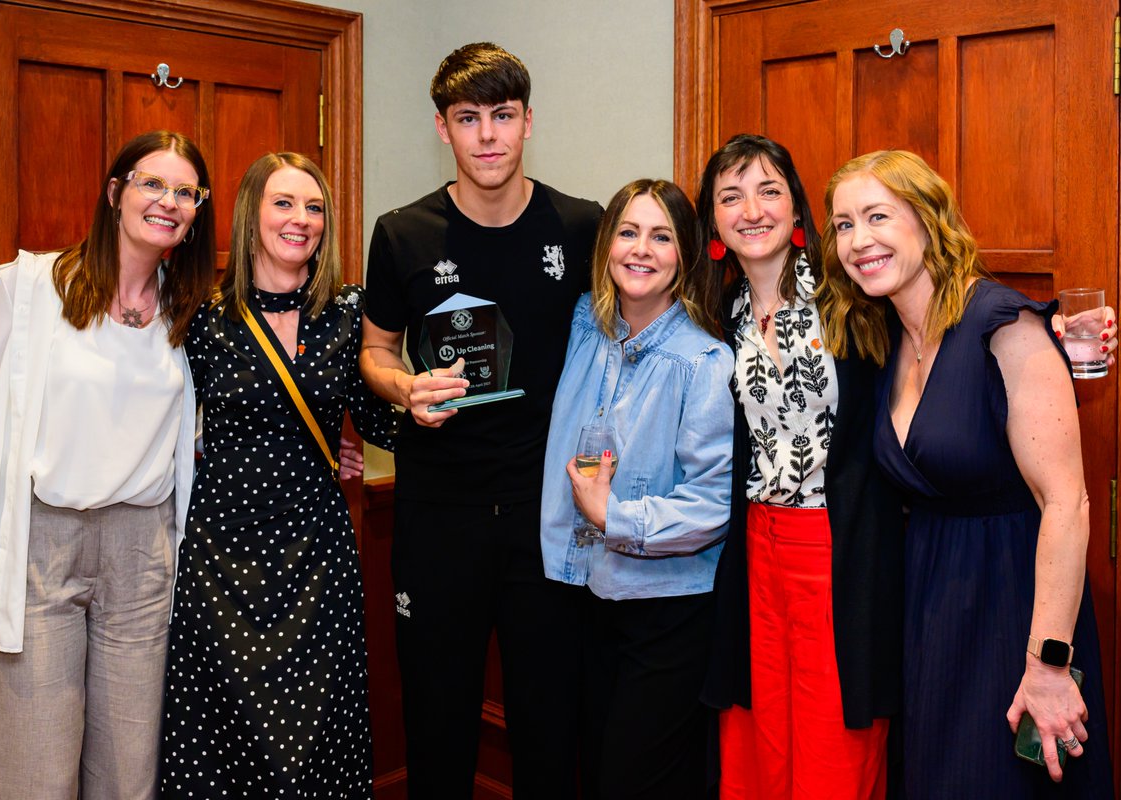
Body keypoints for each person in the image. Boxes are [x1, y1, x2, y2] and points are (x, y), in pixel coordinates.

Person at [0, 130, 215, 798]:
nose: (168, 201)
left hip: (142, 557)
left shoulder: (188, 312)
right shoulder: (25, 289)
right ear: (115, 193)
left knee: (127, 776)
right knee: (30, 774)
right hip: (37, 548)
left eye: (186, 191)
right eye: (152, 183)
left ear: (198, 211)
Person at [821, 149, 1114, 797]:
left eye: (877, 216)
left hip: (1014, 609)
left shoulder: (1002, 327)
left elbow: (1068, 503)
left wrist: (1048, 665)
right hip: (930, 616)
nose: (859, 240)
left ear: (928, 222)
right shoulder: (886, 339)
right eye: (843, 225)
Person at [359, 42, 602, 799]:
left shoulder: (582, 225)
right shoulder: (403, 232)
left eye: (502, 116)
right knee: (438, 726)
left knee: (548, 728)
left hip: (548, 516)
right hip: (438, 516)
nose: (488, 135)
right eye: (469, 119)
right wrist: (403, 390)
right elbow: (375, 348)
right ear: (444, 129)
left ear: (529, 122)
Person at [159, 152, 397, 797]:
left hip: (319, 556)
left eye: (314, 206)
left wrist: (435, 395)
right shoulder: (201, 316)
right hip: (223, 555)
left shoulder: (350, 312)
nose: (300, 220)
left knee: (317, 739)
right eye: (283, 203)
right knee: (226, 737)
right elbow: (163, 416)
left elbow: (378, 422)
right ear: (250, 214)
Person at [696, 134, 905, 800]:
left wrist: (1037, 334)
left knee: (832, 753)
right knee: (757, 744)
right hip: (755, 550)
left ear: (797, 212)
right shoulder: (716, 315)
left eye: (768, 190)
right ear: (714, 220)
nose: (750, 208)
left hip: (840, 547)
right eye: (730, 196)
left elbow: (943, 331)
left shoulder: (853, 296)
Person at [541, 178, 733, 799]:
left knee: (634, 780)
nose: (641, 249)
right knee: (595, 772)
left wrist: (616, 516)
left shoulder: (703, 363)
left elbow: (714, 501)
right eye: (628, 232)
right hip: (590, 596)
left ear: (684, 254)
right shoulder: (585, 328)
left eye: (661, 236)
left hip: (669, 612)